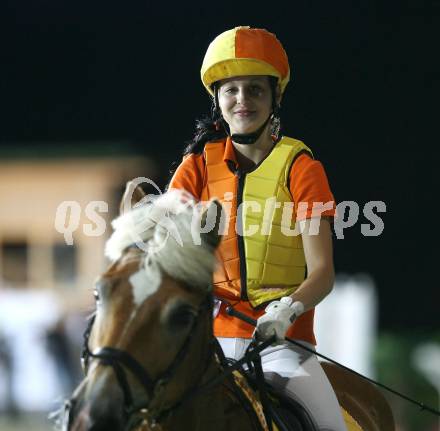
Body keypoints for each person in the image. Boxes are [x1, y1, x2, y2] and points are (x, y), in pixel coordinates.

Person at [168, 26, 347, 431]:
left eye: (255, 89)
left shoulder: (303, 168)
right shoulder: (194, 167)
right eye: (231, 90)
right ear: (217, 99)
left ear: (275, 96)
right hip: (208, 347)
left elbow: (323, 273)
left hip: (283, 344)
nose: (242, 100)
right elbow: (164, 245)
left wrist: (287, 311)